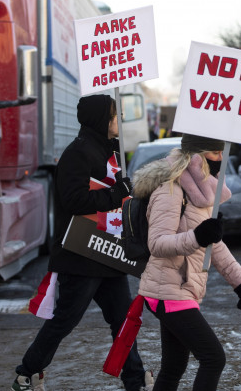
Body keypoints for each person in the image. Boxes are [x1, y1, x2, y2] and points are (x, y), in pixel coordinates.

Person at [11, 95, 153, 391]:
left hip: (108, 254)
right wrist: (116, 193)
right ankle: (27, 372)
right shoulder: (78, 152)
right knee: (65, 320)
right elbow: (73, 200)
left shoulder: (110, 151)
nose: (120, 118)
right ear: (101, 119)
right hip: (82, 255)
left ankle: (135, 379)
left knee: (124, 320)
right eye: (115, 114)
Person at [132, 133, 241, 391]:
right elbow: (157, 243)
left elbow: (215, 246)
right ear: (198, 156)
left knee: (172, 368)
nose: (221, 158)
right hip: (167, 291)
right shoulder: (170, 189)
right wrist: (197, 236)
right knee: (213, 358)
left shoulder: (200, 193)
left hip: (179, 290)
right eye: (215, 152)